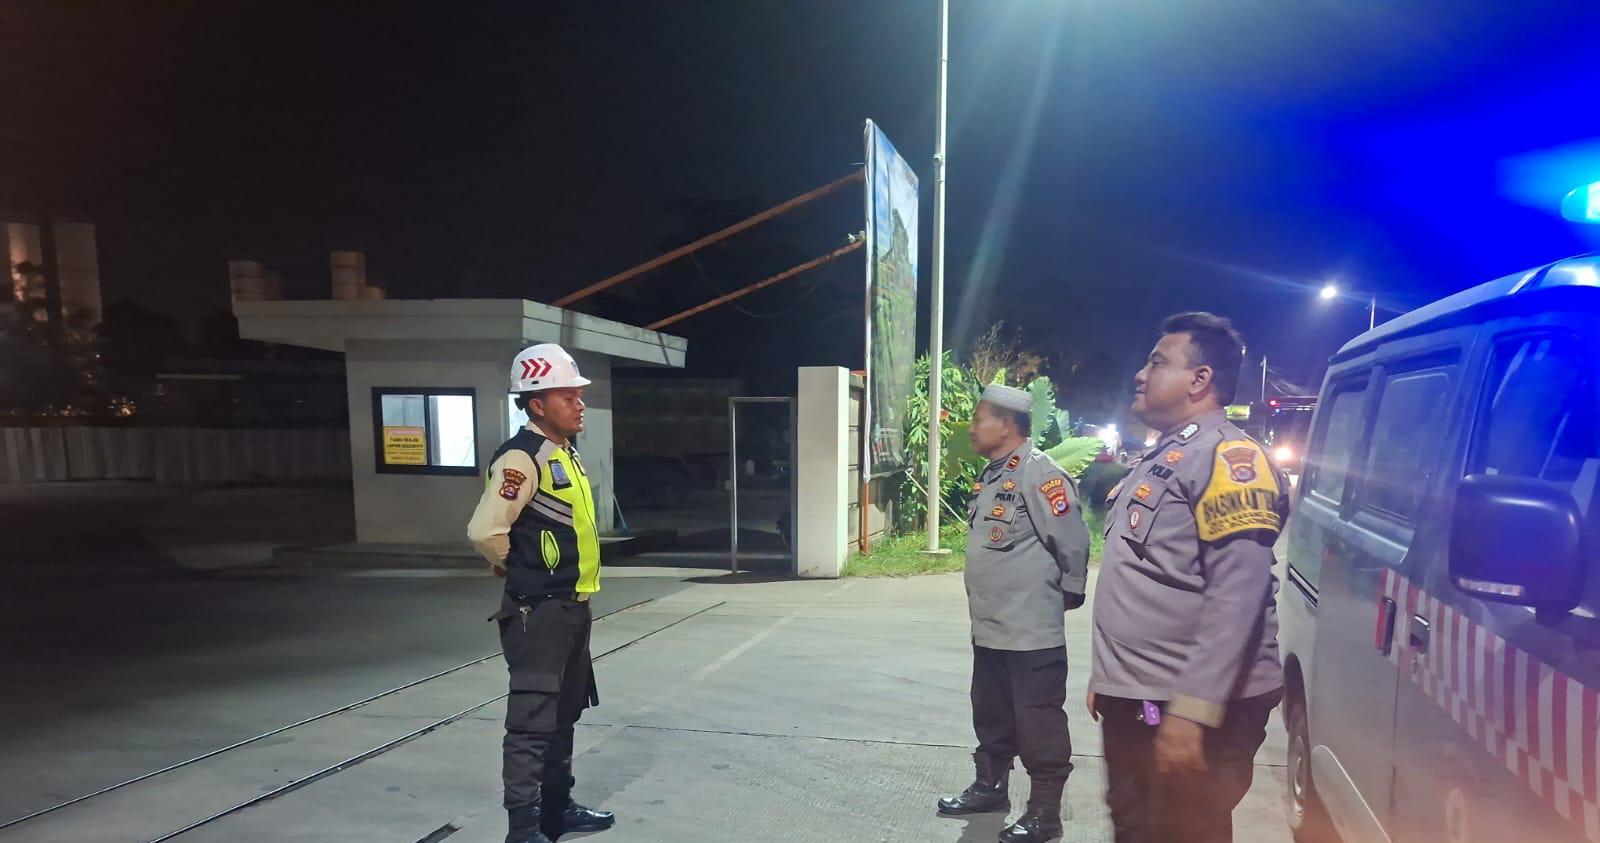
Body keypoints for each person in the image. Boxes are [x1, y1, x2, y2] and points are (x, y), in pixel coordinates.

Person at [1087, 313, 1287, 843]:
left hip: (1188, 705)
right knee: (1136, 825)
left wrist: (1194, 712)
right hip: (1145, 695)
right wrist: (1112, 679)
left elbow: (1238, 597)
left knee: (1179, 830)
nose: (1140, 374)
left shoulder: (1229, 459)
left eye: (1157, 363)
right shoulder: (1168, 453)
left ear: (1200, 379)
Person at [467, 343, 616, 843]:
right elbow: (485, 531)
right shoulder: (521, 457)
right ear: (536, 404)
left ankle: (557, 810)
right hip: (540, 612)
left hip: (571, 607)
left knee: (563, 713)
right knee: (532, 722)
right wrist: (516, 566)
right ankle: (523, 828)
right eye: (567, 396)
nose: (579, 404)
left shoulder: (562, 453)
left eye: (579, 395)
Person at [937, 383, 1091, 843]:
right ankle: (990, 788)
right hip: (990, 628)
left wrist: (1068, 591)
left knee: (1039, 724)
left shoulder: (1040, 474)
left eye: (978, 418)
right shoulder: (993, 475)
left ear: (1005, 425)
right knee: (991, 716)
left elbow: (1072, 541)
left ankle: (1044, 813)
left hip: (1030, 633)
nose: (972, 427)